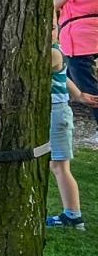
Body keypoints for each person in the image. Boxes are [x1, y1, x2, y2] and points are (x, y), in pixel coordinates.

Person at [55, 0, 98, 150]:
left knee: (86, 84)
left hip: (79, 36)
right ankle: (64, 120)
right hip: (94, 32)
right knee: (69, 79)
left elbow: (55, 1)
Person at [48, 40, 87, 231]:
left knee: (60, 166)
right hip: (53, 112)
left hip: (57, 114)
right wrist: (78, 95)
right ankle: (71, 214)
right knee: (55, 165)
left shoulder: (53, 53)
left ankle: (73, 215)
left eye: (53, 27)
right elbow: (65, 77)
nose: (50, 31)